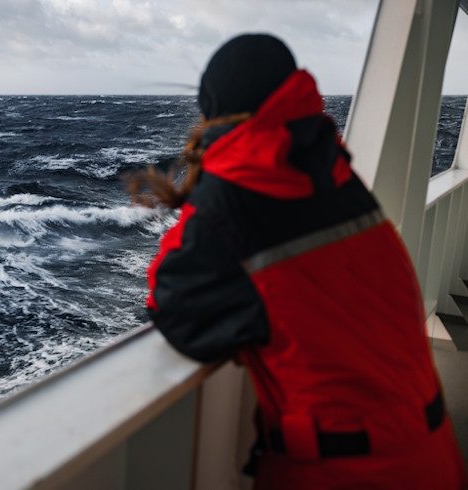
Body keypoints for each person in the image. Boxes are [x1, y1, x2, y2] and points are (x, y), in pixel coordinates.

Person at [128, 34, 467, 489]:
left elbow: (172, 304)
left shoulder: (231, 195)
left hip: (348, 475)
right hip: (435, 456)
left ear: (211, 111)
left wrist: (203, 191)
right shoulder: (336, 174)